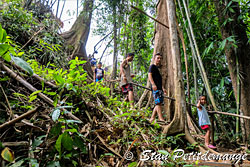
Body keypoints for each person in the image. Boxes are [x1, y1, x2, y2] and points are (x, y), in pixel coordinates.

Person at [148, 53, 167, 124]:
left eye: (160, 58)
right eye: (158, 58)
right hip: (155, 88)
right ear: (154, 59)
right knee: (158, 102)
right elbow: (149, 75)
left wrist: (163, 88)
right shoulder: (152, 66)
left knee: (159, 103)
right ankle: (161, 118)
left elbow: (159, 80)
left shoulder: (157, 69)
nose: (159, 59)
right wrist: (153, 84)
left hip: (159, 89)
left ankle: (152, 118)